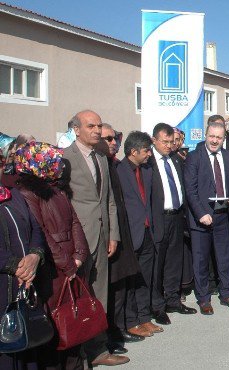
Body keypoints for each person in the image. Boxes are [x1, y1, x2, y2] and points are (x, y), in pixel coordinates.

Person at [14, 142, 90, 369]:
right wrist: (67, 264)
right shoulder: (27, 194)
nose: (58, 164)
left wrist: (79, 254)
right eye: (52, 160)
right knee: (56, 322)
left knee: (74, 320)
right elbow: (42, 233)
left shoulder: (56, 188)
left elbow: (74, 221)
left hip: (71, 260)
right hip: (52, 268)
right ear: (37, 163)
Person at [62, 110, 126, 367]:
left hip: (101, 237)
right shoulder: (66, 158)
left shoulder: (101, 157)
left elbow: (108, 200)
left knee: (99, 293)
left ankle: (98, 350)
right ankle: (77, 357)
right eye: (91, 126)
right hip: (78, 240)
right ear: (76, 129)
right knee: (77, 297)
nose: (97, 130)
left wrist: (113, 235)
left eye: (99, 125)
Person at [184, 121, 229, 315]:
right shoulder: (194, 158)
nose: (215, 141)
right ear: (205, 135)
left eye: (219, 137)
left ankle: (227, 294)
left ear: (223, 138)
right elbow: (190, 190)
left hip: (223, 216)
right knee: (201, 260)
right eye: (212, 136)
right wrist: (201, 213)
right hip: (201, 218)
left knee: (225, 258)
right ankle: (203, 298)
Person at [95, 124, 144, 350]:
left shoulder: (113, 165)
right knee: (111, 289)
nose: (113, 142)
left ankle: (121, 328)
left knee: (123, 286)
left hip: (121, 233)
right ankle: (109, 336)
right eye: (108, 138)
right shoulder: (99, 164)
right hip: (106, 237)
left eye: (115, 138)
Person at [115, 132, 163, 338]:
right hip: (130, 235)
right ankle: (131, 321)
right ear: (133, 152)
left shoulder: (147, 170)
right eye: (146, 151)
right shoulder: (119, 171)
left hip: (147, 233)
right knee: (131, 282)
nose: (149, 154)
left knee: (146, 279)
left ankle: (145, 318)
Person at [149, 123, 196, 323]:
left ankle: (173, 300)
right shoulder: (148, 162)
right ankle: (157, 306)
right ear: (154, 140)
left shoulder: (175, 160)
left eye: (172, 142)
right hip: (158, 218)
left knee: (174, 261)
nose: (169, 145)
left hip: (177, 216)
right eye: (165, 142)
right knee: (157, 264)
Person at [0, 178, 45, 370]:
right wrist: (16, 266)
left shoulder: (14, 194)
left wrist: (35, 255)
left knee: (26, 340)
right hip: (4, 283)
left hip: (24, 283)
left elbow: (35, 227)